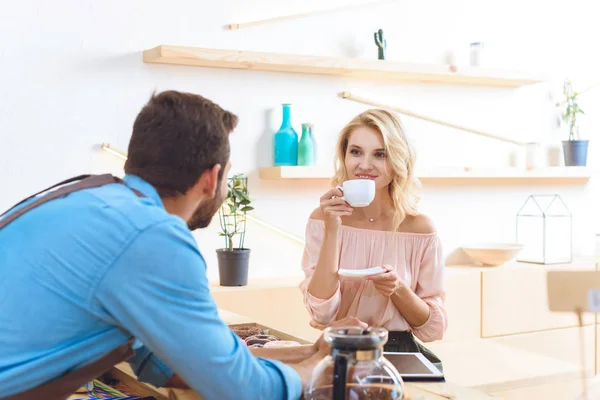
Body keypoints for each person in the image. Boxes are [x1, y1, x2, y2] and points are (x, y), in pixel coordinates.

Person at [0, 90, 365, 400]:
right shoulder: (152, 236)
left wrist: (309, 352)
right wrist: (321, 371)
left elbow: (165, 363)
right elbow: (241, 391)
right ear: (213, 178)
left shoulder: (96, 199)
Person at [299, 109, 447, 369]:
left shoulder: (419, 229)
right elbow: (321, 312)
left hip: (400, 355)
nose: (364, 164)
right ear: (344, 157)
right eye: (355, 152)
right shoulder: (322, 220)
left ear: (398, 160)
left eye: (380, 154)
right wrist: (333, 228)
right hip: (339, 350)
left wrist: (398, 289)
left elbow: (433, 329)